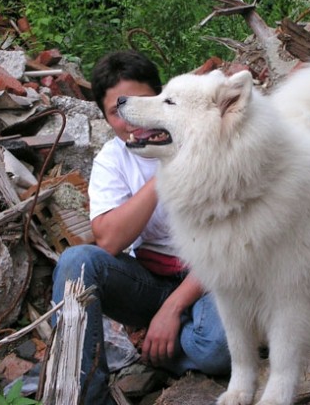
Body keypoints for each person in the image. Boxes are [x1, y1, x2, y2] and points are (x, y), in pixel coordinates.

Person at [51, 50, 230, 405]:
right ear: (105, 117)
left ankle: (168, 343)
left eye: (142, 102)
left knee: (216, 349)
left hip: (213, 276)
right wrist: (160, 172)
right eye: (117, 111)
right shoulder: (112, 159)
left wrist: (173, 309)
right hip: (150, 281)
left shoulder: (204, 141)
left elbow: (228, 243)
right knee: (77, 262)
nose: (132, 118)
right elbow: (109, 241)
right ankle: (89, 396)